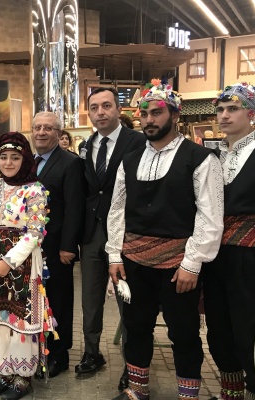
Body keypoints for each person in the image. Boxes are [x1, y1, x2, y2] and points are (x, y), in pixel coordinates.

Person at [106, 80, 224, 400]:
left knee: (183, 333)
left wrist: (193, 263)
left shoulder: (199, 158)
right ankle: (138, 390)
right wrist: (115, 256)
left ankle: (188, 395)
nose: (148, 120)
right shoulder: (129, 159)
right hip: (133, 261)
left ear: (174, 113)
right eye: (144, 114)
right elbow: (117, 209)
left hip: (178, 265)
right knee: (136, 327)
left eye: (156, 112)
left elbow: (210, 216)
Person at [0, 132, 53, 400]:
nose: (8, 162)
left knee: (20, 320)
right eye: (3, 157)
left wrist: (8, 263)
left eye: (15, 157)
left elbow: (35, 232)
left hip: (22, 264)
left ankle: (23, 377)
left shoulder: (35, 190)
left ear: (25, 159)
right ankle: (5, 372)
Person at [79, 87, 145, 389]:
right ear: (89, 112)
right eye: (95, 107)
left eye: (106, 106)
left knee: (126, 302)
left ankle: (133, 366)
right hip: (92, 234)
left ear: (118, 110)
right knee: (90, 300)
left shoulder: (139, 142)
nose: (101, 112)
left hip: (126, 234)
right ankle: (92, 353)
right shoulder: (86, 144)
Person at [204, 82, 255, 400]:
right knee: (219, 332)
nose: (224, 115)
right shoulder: (217, 154)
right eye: (220, 110)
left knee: (250, 332)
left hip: (252, 257)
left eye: (233, 109)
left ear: (251, 114)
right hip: (217, 257)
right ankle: (231, 393)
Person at [31, 112, 85, 378]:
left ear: (58, 133)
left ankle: (60, 355)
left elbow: (75, 207)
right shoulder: (29, 163)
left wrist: (68, 246)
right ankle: (41, 349)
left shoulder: (70, 163)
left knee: (59, 301)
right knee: (39, 300)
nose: (41, 132)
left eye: (48, 128)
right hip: (32, 248)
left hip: (57, 248)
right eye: (37, 127)